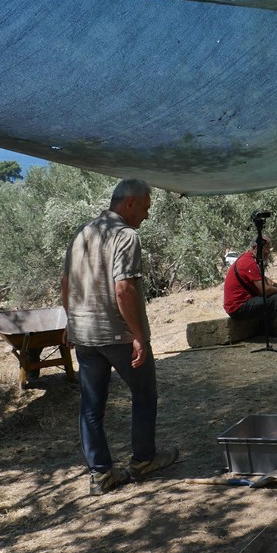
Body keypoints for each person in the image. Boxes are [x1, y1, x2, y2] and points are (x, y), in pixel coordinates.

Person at [62, 178, 178, 496]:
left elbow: (65, 283)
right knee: (144, 396)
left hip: (84, 335)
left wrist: (72, 321)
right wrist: (139, 336)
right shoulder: (125, 236)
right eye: (146, 207)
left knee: (91, 407)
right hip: (117, 335)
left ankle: (101, 475)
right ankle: (143, 461)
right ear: (129, 203)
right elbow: (124, 289)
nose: (147, 215)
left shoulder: (82, 232)